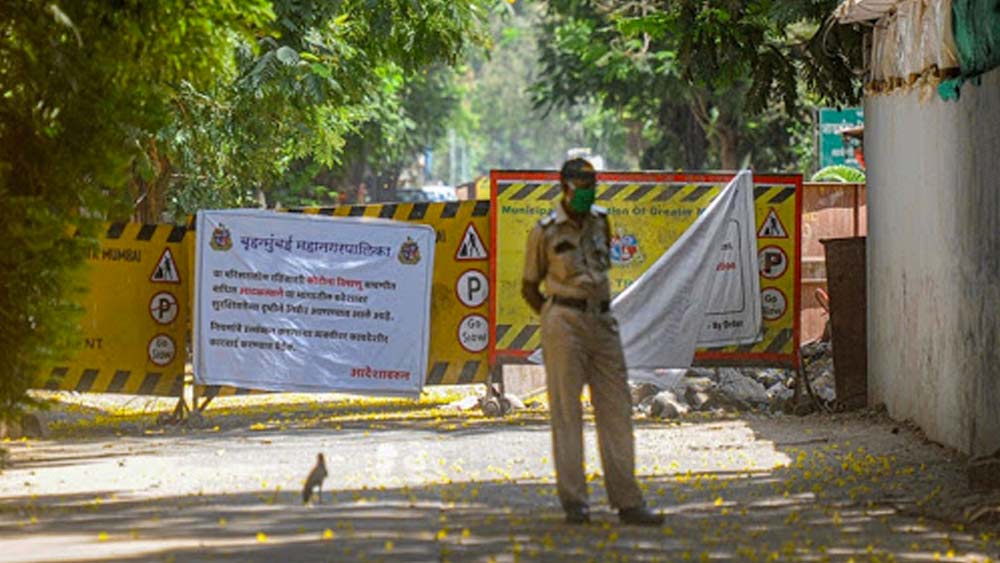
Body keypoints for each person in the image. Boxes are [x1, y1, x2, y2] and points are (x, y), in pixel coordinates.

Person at [521, 158, 664, 526]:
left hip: (602, 320)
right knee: (567, 413)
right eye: (582, 185)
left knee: (616, 409)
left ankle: (628, 502)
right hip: (563, 321)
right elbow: (528, 286)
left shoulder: (601, 221)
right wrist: (556, 315)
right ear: (566, 187)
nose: (589, 190)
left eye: (592, 183)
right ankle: (575, 502)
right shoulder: (546, 230)